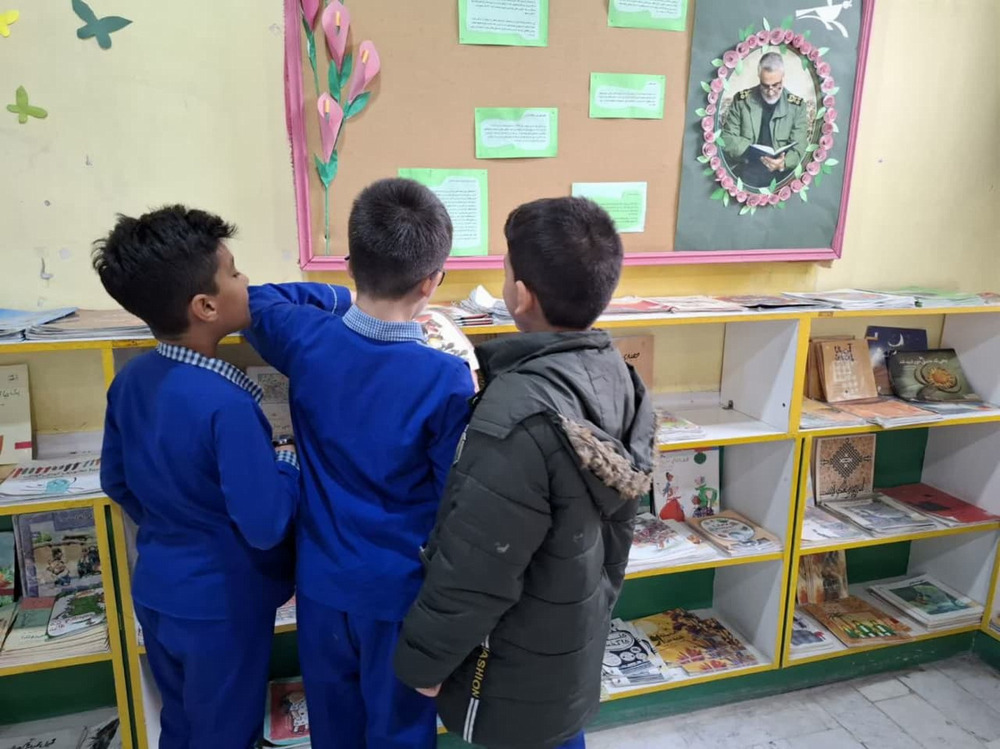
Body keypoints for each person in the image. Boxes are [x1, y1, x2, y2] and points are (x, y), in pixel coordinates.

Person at [394, 196, 655, 749]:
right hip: (571, 635)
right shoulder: (618, 374)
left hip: (511, 659)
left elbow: (477, 565)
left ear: (520, 294)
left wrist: (425, 662)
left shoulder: (516, 414)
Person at [244, 178, 475, 749]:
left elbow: (258, 299)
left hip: (322, 586)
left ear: (350, 265)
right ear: (432, 281)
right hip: (399, 595)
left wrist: (342, 295)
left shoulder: (306, 338)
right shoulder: (446, 377)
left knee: (334, 728)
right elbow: (453, 502)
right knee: (400, 731)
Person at [93, 205, 300, 748]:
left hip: (160, 588)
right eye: (234, 272)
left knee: (183, 722)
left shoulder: (132, 378)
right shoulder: (226, 404)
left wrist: (178, 522)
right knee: (225, 732)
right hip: (222, 605)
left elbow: (116, 480)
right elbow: (265, 524)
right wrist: (286, 463)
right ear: (205, 306)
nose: (246, 280)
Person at [722, 51, 810, 188]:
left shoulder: (797, 107)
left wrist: (783, 163)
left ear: (783, 77)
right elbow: (727, 138)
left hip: (782, 174)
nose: (770, 91)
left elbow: (800, 147)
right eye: (765, 85)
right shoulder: (741, 101)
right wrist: (749, 151)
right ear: (759, 77)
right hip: (747, 167)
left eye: (776, 85)